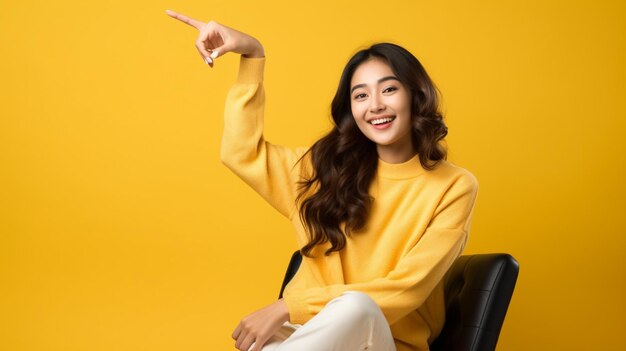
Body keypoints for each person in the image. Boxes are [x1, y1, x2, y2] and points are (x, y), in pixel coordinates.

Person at [166, 10, 479, 351]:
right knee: (272, 340)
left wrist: (289, 306)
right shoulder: (320, 169)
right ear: (351, 109)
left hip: (383, 341)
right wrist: (252, 54)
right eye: (360, 95)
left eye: (389, 89)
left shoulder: (454, 186)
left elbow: (406, 290)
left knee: (357, 306)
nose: (375, 105)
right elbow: (240, 152)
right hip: (310, 337)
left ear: (415, 96)